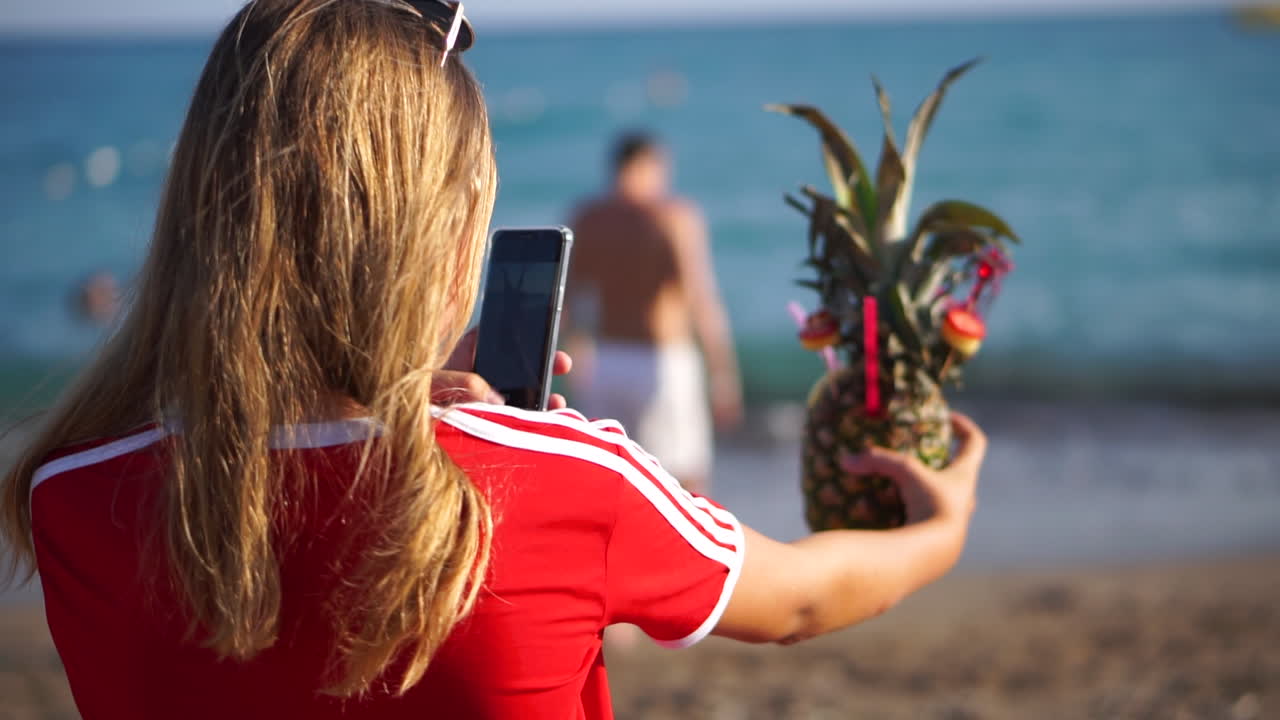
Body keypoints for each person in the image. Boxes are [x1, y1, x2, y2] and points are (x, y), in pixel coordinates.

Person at [0, 2, 986, 718]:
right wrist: (939, 533)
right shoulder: (559, 482)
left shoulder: (70, 502)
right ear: (443, 238)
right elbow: (802, 599)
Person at [566, 131, 742, 494]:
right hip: (663, 361)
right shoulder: (673, 217)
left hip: (606, 362)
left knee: (611, 482)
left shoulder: (588, 218)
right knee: (687, 485)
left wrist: (575, 351)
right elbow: (700, 296)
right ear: (649, 166)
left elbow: (568, 298)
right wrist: (723, 373)